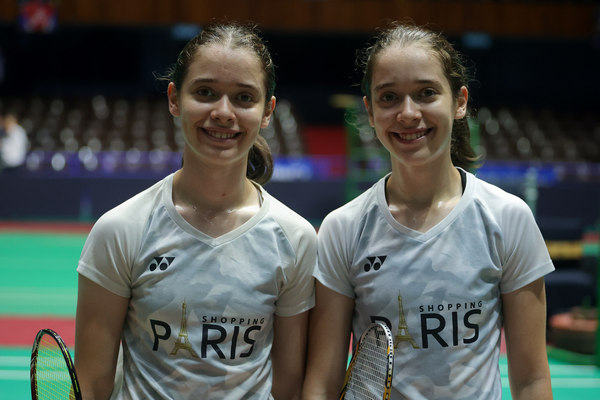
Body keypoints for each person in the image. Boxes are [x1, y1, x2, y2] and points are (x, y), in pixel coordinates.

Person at [303, 22, 554, 400]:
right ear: (369, 111)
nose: (408, 113)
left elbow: (532, 379)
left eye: (426, 93)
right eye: (389, 97)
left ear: (460, 101)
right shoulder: (343, 228)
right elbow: (322, 383)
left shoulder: (508, 218)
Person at [74, 22, 317, 400]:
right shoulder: (120, 229)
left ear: (267, 111)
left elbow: (288, 386)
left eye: (244, 98)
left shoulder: (296, 238)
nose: (223, 112)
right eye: (205, 92)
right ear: (174, 99)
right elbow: (91, 385)